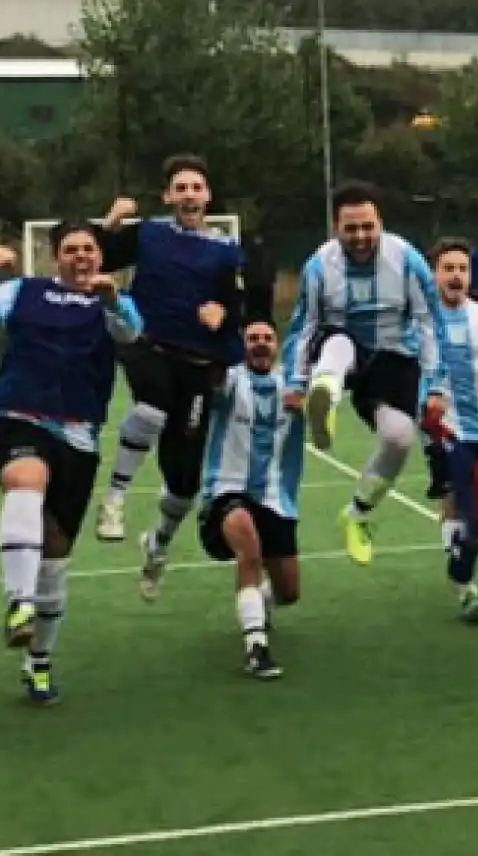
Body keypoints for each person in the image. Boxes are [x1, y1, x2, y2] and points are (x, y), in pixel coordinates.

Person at [0, 222, 144, 705]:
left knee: (56, 560)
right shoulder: (27, 290)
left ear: (100, 257)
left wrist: (113, 301)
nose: (82, 256)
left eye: (89, 249)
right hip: (19, 415)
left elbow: (131, 333)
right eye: (71, 249)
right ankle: (18, 602)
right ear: (55, 257)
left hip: (79, 433)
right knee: (25, 480)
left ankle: (38, 662)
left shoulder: (114, 300)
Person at [281, 181, 448, 566]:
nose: (359, 237)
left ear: (380, 223)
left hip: (392, 357)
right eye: (350, 228)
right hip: (341, 348)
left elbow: (428, 324)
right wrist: (295, 382)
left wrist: (436, 385)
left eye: (367, 227)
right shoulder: (319, 266)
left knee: (400, 438)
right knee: (338, 344)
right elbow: (302, 328)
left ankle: (356, 513)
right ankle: (324, 397)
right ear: (335, 227)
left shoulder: (406, 260)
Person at [139, 321, 304, 679]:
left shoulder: (291, 386)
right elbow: (207, 383)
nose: (260, 345)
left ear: (277, 346)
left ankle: (258, 605)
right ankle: (256, 647)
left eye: (267, 339)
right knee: (250, 550)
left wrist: (316, 398)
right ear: (241, 346)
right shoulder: (230, 381)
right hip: (227, 492)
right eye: (252, 339)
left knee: (288, 591)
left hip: (275, 498)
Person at [93, 154, 245, 543]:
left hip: (196, 363)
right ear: (168, 197)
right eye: (181, 188)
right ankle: (114, 500)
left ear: (208, 196)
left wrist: (223, 312)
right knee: (151, 407)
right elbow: (92, 257)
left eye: (196, 188)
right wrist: (111, 220)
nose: (189, 195)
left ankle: (158, 541)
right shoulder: (148, 234)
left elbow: (239, 304)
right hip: (147, 345)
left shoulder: (227, 249)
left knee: (184, 482)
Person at [419, 238, 478, 625]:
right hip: (442, 425)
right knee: (458, 495)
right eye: (447, 268)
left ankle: (462, 549)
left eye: (462, 269)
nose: (456, 275)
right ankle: (467, 589)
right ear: (433, 274)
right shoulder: (420, 320)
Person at [242, 229, 277, 330]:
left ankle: (252, 323)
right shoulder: (267, 250)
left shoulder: (248, 251)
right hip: (264, 284)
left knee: (252, 307)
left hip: (253, 284)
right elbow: (272, 266)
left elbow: (245, 266)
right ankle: (264, 323)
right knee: (264, 307)